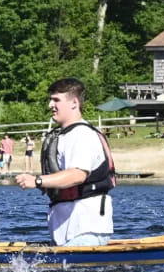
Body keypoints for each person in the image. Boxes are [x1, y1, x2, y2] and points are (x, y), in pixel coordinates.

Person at [15, 77, 115, 246]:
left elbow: (77, 175)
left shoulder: (82, 135)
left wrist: (37, 181)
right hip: (65, 229)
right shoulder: (64, 135)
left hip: (86, 229)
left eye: (56, 100)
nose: (50, 106)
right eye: (50, 100)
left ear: (74, 103)